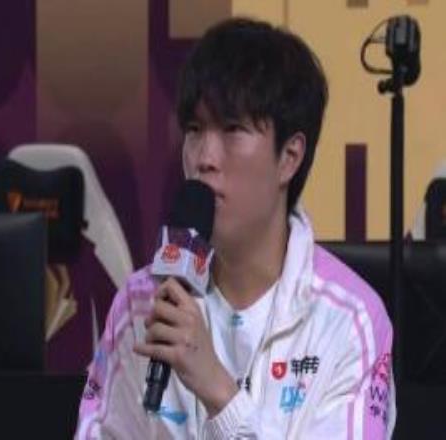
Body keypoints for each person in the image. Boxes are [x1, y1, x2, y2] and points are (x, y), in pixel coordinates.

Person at [75, 17, 395, 439]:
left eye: (232, 130)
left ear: (290, 157)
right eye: (194, 130)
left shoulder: (349, 321)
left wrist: (220, 394)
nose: (204, 158)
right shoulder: (140, 305)